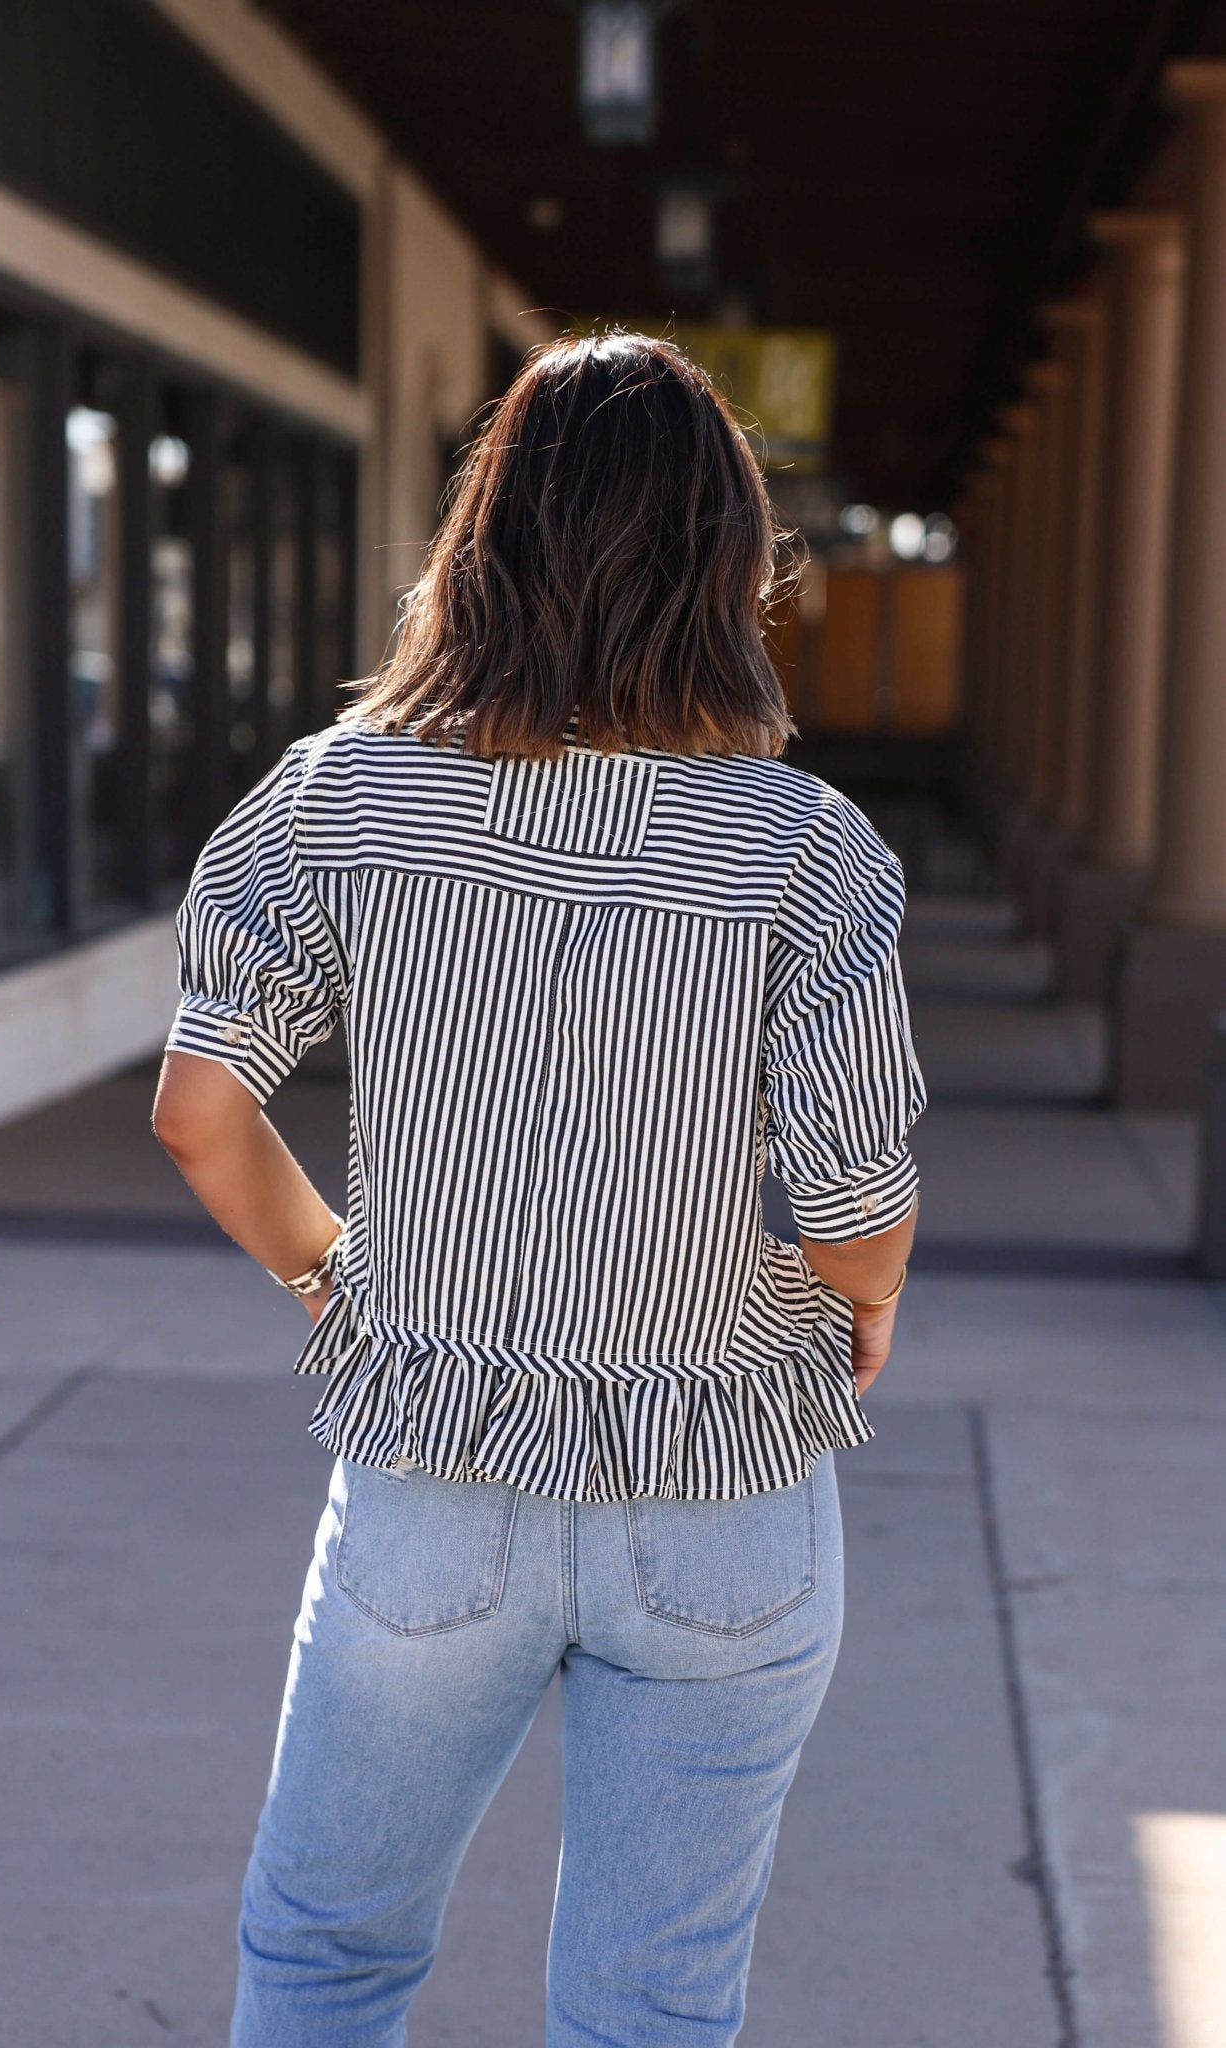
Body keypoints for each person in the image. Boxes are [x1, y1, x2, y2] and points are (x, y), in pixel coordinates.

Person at [151, 330, 926, 2048]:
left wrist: (328, 1279)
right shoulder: (805, 850)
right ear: (728, 567)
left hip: (435, 1484)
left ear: (478, 542)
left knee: (326, 1959)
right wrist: (861, 1308)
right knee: (650, 2011)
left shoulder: (337, 800)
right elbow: (851, 1204)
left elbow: (203, 1112)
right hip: (729, 1501)